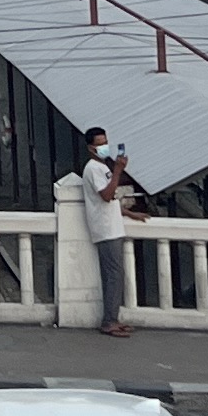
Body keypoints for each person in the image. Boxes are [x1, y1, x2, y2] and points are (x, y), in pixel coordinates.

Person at [80, 134, 134, 339]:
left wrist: (128, 213)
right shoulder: (93, 169)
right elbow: (106, 195)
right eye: (100, 144)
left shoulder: (103, 168)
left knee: (115, 274)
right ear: (91, 147)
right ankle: (109, 321)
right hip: (105, 229)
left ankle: (114, 318)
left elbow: (110, 201)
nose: (104, 147)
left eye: (105, 143)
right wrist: (119, 170)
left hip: (112, 225)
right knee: (113, 274)